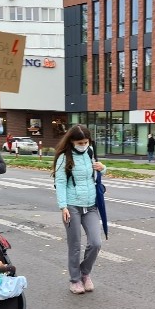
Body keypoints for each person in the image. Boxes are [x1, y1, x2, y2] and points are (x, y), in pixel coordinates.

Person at [52, 124, 106, 295]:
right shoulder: (64, 157)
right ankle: (75, 280)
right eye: (80, 142)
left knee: (95, 243)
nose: (83, 145)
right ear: (72, 141)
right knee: (75, 246)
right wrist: (63, 207)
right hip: (72, 206)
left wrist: (103, 168)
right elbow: (60, 183)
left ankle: (85, 272)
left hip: (91, 204)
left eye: (85, 141)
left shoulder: (90, 152)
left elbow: (96, 175)